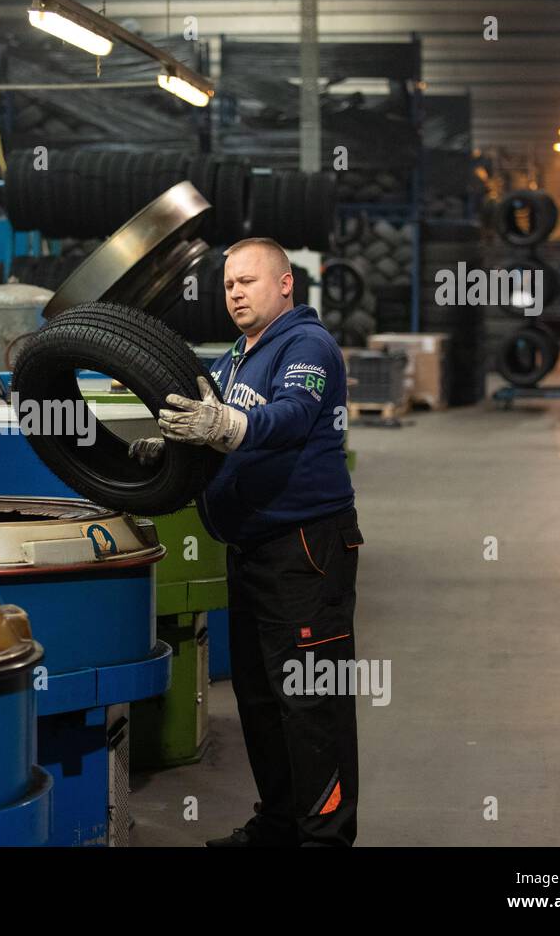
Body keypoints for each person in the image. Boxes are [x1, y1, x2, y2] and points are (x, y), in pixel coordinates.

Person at [129, 237, 364, 847]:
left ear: (285, 284)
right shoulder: (237, 356)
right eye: (229, 284)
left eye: (248, 281)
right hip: (252, 548)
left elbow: (286, 419)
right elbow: (224, 441)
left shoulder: (306, 347)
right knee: (260, 699)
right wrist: (174, 454)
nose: (234, 292)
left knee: (311, 702)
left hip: (306, 550)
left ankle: (324, 839)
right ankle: (282, 825)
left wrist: (227, 424)